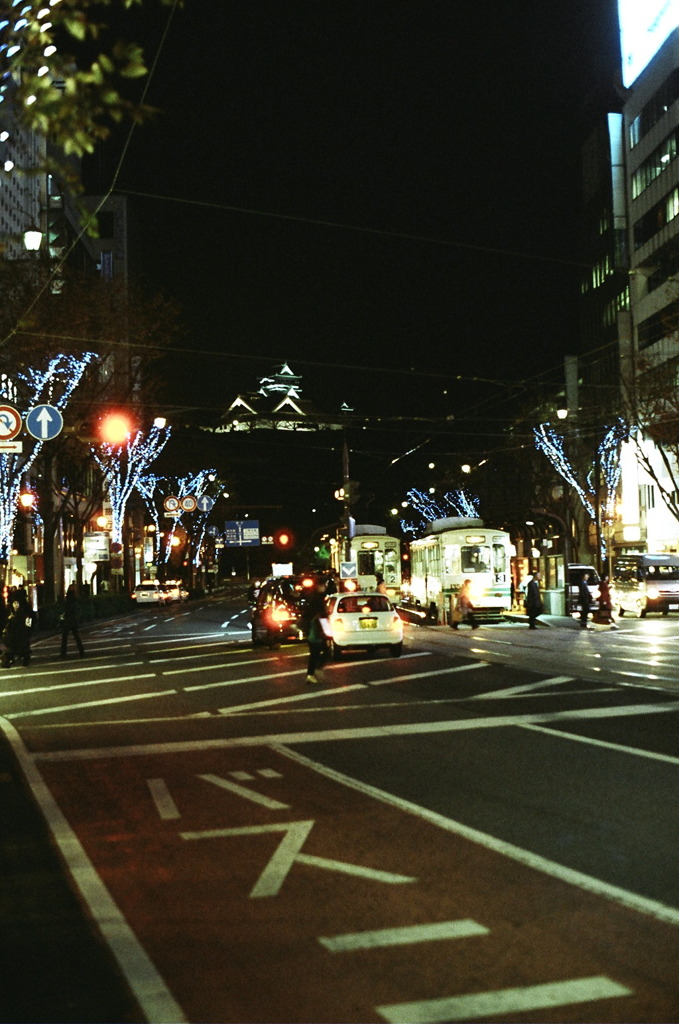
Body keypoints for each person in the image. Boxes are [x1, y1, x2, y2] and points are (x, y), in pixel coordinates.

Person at [304, 578, 329, 684]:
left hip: (313, 630)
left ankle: (311, 674)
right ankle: (315, 671)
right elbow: (322, 616)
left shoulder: (312, 597)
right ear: (319, 586)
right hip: (316, 630)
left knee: (314, 654)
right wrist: (327, 633)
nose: (325, 587)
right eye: (323, 585)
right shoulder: (317, 599)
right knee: (325, 652)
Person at [2, 593, 35, 667]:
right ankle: (8, 661)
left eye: (17, 603)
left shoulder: (24, 612)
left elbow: (28, 621)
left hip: (22, 632)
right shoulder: (9, 611)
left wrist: (28, 629)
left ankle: (25, 660)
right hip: (12, 633)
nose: (16, 605)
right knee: (10, 647)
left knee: (23, 648)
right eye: (14, 603)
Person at [60, 583, 85, 658]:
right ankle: (81, 651)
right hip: (73, 620)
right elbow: (76, 610)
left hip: (68, 620)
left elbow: (66, 609)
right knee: (76, 636)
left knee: (65, 637)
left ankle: (63, 653)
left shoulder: (67, 599)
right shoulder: (75, 599)